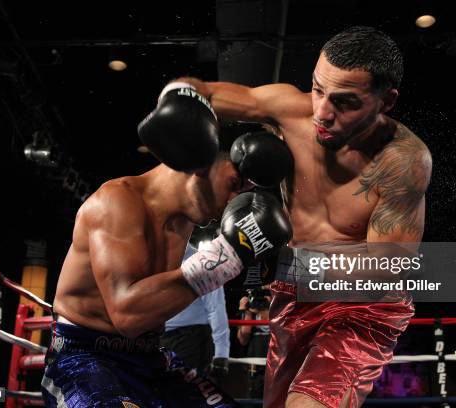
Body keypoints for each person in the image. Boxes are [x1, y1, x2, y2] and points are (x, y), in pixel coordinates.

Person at [167, 26, 432, 408]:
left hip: (361, 307)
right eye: (318, 89)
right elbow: (198, 93)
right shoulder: (292, 110)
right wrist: (173, 108)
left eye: (344, 102)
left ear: (385, 101)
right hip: (292, 298)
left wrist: (281, 261)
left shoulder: (401, 162)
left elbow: (386, 266)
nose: (321, 112)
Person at [41, 85, 293, 407]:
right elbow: (128, 315)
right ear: (200, 160)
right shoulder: (117, 202)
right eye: (234, 185)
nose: (235, 201)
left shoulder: (186, 217)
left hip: (151, 357)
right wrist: (227, 257)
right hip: (86, 358)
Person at [161, 244, 231, 377]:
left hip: (191, 339)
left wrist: (221, 354)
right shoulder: (155, 259)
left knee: (183, 392)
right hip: (159, 338)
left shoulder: (203, 262)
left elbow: (216, 308)